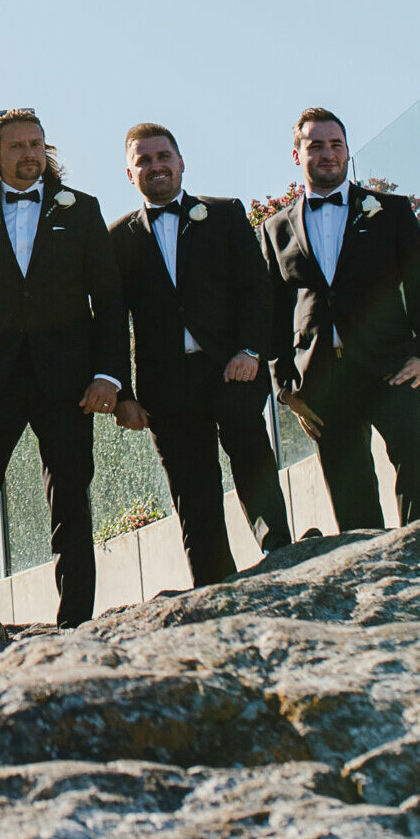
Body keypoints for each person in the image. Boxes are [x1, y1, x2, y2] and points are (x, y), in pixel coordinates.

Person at [0, 109, 125, 628]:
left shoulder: (82, 210)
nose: (29, 154)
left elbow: (109, 301)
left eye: (36, 144)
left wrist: (108, 375)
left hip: (69, 381)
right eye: (17, 146)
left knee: (70, 496)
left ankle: (76, 622)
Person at [107, 123, 294, 586]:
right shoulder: (117, 239)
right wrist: (122, 394)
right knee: (193, 494)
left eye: (164, 156)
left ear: (181, 161)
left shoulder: (226, 214)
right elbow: (110, 321)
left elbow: (257, 290)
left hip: (233, 369)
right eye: (144, 160)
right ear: (129, 173)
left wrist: (251, 349)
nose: (156, 166)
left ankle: (281, 555)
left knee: (252, 459)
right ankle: (215, 590)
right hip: (166, 388)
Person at [260, 107, 420, 530]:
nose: (328, 154)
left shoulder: (390, 211)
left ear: (347, 152)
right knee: (349, 486)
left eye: (336, 145)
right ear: (297, 155)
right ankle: (372, 572)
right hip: (322, 380)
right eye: (316, 146)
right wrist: (286, 388)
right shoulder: (276, 229)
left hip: (392, 366)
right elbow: (271, 315)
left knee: (414, 457)